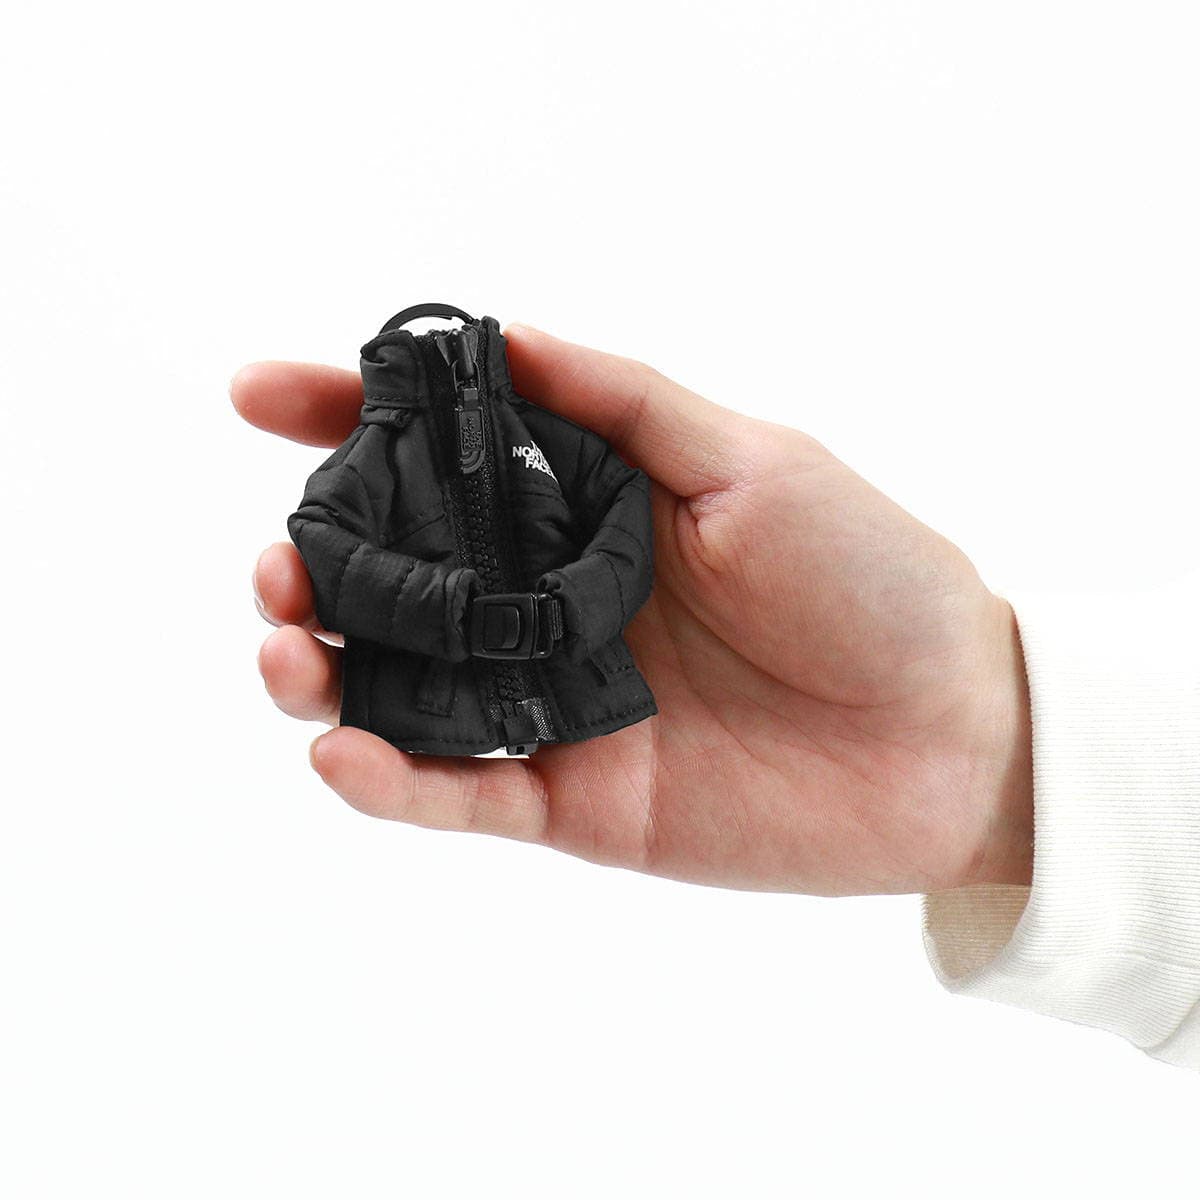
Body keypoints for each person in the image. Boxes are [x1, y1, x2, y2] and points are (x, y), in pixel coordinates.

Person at [232, 323, 1199, 1070]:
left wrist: (566, 608)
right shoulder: (374, 456)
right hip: (428, 695)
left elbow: (621, 517)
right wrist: (458, 612)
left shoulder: (546, 439)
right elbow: (327, 546)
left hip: (587, 684)